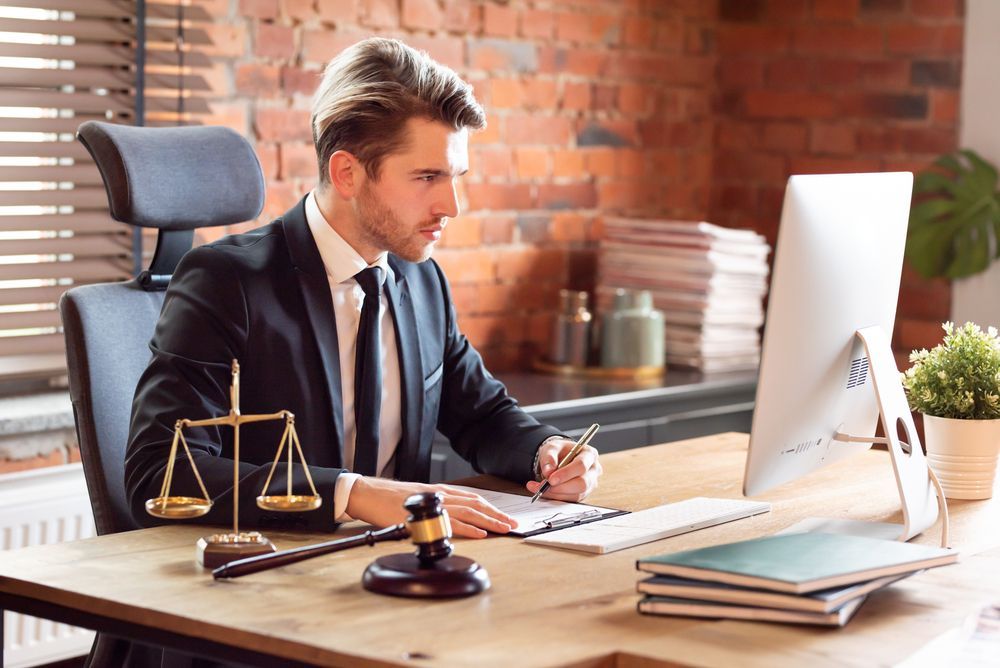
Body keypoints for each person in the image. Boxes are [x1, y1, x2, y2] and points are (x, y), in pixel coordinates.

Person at [125, 37, 603, 538]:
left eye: (455, 176)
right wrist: (354, 493)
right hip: (274, 575)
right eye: (426, 176)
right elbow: (159, 474)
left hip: (404, 570)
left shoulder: (421, 279)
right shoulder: (227, 283)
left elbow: (481, 415)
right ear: (347, 173)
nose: (451, 205)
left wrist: (546, 451)